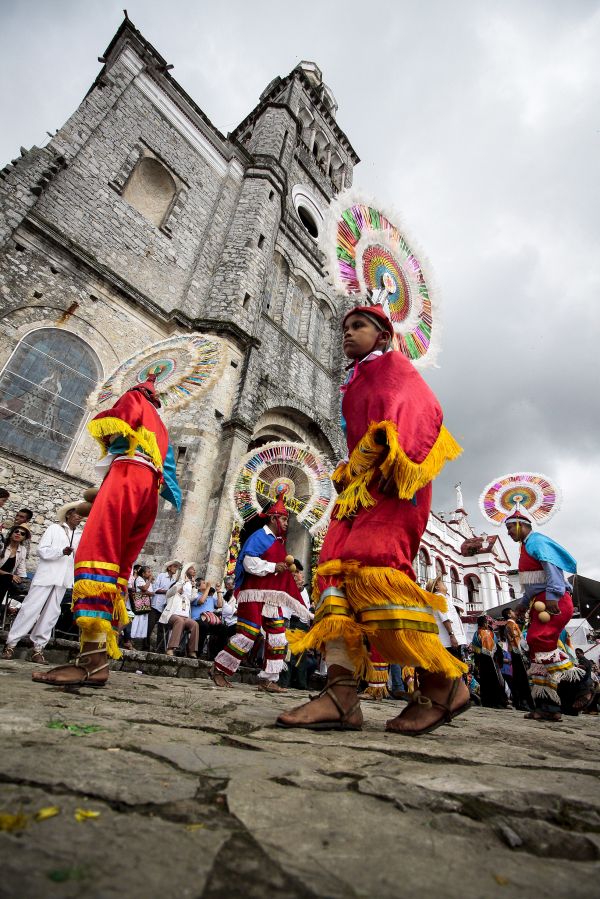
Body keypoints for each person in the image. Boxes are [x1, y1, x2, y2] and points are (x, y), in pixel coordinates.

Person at [277, 304, 466, 734]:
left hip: (394, 489)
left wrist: (382, 445)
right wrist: (354, 466)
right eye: (344, 327)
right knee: (333, 574)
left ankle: (443, 685)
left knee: (374, 570)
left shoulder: (395, 368)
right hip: (361, 491)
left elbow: (424, 412)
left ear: (383, 335)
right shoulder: (358, 377)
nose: (347, 333)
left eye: (357, 325)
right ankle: (341, 694)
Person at [32, 372, 181, 687]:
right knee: (116, 569)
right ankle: (96, 660)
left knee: (96, 556)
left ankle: (91, 662)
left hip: (127, 476)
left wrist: (111, 436)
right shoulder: (160, 424)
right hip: (148, 490)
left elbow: (113, 427)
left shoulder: (132, 398)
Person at [212, 497, 306, 692]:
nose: (287, 524)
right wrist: (274, 566)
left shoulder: (278, 542)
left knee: (278, 637)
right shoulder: (259, 537)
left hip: (270, 597)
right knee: (248, 634)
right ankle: (218, 670)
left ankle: (268, 679)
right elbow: (248, 563)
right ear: (273, 518)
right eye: (284, 520)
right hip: (253, 594)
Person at [505, 508, 581, 722]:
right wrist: (522, 604)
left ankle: (582, 682)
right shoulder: (525, 547)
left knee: (538, 639)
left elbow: (552, 568)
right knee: (537, 652)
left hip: (552, 601)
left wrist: (553, 595)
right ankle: (547, 706)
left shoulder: (536, 541)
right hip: (541, 601)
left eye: (510, 527)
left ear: (521, 524)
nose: (508, 532)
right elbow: (532, 584)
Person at [2, 502, 85, 663]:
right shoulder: (54, 529)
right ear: (68, 514)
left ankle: (38, 649)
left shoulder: (80, 535)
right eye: (77, 513)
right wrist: (61, 552)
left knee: (51, 615)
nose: (79, 517)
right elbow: (42, 550)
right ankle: (11, 644)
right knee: (30, 609)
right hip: (46, 576)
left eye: (81, 514)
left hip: (63, 579)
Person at [279, 561, 313, 690]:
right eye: (294, 573)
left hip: (303, 626)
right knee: (288, 655)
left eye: (299, 573)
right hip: (292, 624)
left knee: (301, 657)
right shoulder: (287, 588)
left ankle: (301, 683)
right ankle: (284, 682)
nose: (297, 576)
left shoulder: (304, 590)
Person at [159, 562, 200, 658]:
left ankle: (192, 651)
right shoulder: (177, 584)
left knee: (195, 624)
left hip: (185, 616)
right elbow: (169, 593)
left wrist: (194, 587)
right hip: (172, 616)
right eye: (192, 569)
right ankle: (170, 648)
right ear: (186, 570)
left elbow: (192, 598)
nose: (194, 570)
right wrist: (181, 584)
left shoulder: (189, 587)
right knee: (179, 621)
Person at [426, 576, 468, 662]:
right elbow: (445, 618)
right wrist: (452, 636)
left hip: (448, 642)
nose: (444, 584)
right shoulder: (440, 598)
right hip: (448, 642)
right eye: (441, 583)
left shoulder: (441, 598)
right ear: (437, 587)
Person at [471, 616, 508, 708]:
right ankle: (497, 701)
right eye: (487, 623)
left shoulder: (475, 634)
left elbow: (476, 653)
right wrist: (499, 660)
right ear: (484, 623)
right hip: (491, 661)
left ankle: (487, 702)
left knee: (485, 682)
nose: (488, 624)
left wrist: (477, 665)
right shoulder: (489, 634)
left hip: (482, 662)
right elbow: (497, 648)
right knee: (495, 681)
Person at [502, 608, 533, 711]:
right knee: (521, 677)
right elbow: (518, 641)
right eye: (512, 612)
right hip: (518, 652)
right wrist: (525, 651)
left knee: (517, 677)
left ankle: (519, 701)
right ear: (509, 615)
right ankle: (523, 702)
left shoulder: (510, 625)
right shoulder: (511, 625)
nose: (515, 613)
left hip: (515, 653)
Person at [0, 524, 30, 627]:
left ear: (24, 537)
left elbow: (21, 571)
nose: (18, 534)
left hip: (5, 581)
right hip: (5, 578)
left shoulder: (22, 550)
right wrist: (10, 575)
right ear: (12, 533)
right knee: (7, 579)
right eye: (16, 531)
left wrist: (20, 579)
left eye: (22, 533)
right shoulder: (2, 544)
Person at [148, 560, 181, 651]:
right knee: (149, 627)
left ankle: (160, 648)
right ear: (169, 567)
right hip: (156, 605)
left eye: (176, 567)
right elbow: (155, 589)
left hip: (165, 607)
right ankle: (145, 646)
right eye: (174, 566)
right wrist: (168, 591)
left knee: (162, 629)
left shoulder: (174, 580)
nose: (175, 569)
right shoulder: (161, 576)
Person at [130, 565, 154, 649]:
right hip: (139, 603)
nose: (150, 574)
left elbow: (150, 592)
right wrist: (150, 580)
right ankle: (131, 639)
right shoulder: (139, 579)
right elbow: (144, 588)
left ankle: (137, 642)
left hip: (145, 603)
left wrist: (148, 591)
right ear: (143, 573)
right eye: (148, 572)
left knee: (143, 622)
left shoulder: (146, 580)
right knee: (137, 620)